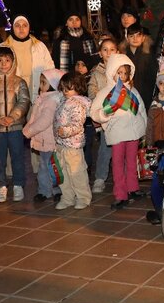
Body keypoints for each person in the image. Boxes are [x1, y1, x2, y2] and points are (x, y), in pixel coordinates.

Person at [90, 54, 147, 209]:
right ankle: (120, 194)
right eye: (118, 72)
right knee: (117, 164)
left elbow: (141, 109)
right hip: (116, 134)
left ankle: (133, 188)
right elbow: (94, 112)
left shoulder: (133, 91)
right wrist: (104, 115)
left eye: (125, 73)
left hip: (133, 133)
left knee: (131, 162)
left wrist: (144, 128)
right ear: (111, 72)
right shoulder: (105, 93)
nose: (122, 76)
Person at [0, 46, 31, 203]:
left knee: (17, 156)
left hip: (15, 127)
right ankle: (1, 185)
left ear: (13, 62)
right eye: (0, 61)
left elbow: (24, 101)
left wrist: (12, 117)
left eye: (7, 61)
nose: (3, 64)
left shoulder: (19, 82)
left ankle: (18, 185)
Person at [23, 69, 66, 203]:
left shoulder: (51, 101)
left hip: (49, 141)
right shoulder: (44, 98)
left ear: (53, 84)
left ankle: (56, 190)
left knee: (52, 166)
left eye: (43, 83)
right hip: (43, 140)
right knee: (46, 166)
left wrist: (28, 131)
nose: (40, 86)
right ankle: (45, 190)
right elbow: (34, 117)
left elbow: (44, 121)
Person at [0, 15, 55, 106]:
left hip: (36, 93)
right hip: (12, 95)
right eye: (17, 25)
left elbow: (50, 69)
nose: (21, 28)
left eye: (24, 25)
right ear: (12, 27)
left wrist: (47, 90)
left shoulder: (39, 46)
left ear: (29, 27)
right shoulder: (3, 47)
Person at [53, 72, 92, 210]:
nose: (65, 92)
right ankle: (67, 197)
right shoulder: (63, 101)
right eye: (63, 89)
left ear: (78, 88)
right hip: (60, 144)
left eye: (68, 89)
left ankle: (83, 197)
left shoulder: (78, 104)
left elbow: (77, 124)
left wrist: (66, 131)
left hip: (73, 146)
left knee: (77, 173)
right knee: (63, 173)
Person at [87, 38, 118, 194]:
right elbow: (92, 91)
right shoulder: (96, 72)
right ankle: (100, 178)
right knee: (105, 148)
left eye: (112, 49)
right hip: (105, 114)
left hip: (120, 115)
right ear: (100, 53)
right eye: (105, 50)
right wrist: (98, 108)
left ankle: (123, 177)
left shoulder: (122, 68)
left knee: (121, 148)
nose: (108, 53)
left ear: (117, 51)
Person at [119, 23, 157, 105]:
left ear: (143, 38)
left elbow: (153, 77)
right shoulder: (122, 55)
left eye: (138, 35)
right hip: (127, 94)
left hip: (146, 94)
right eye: (132, 36)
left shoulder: (148, 55)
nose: (135, 39)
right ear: (127, 38)